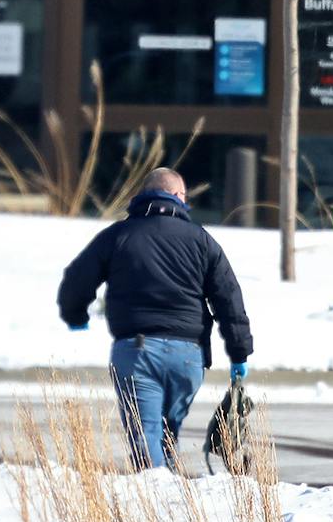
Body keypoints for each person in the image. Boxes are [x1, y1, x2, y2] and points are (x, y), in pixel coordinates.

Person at [57, 167, 253, 471]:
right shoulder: (201, 240)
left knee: (145, 437)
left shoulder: (118, 235)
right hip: (188, 356)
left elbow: (77, 280)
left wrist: (75, 315)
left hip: (137, 352)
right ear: (177, 196)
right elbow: (229, 298)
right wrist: (239, 352)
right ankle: (169, 502)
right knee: (166, 436)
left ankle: (157, 498)